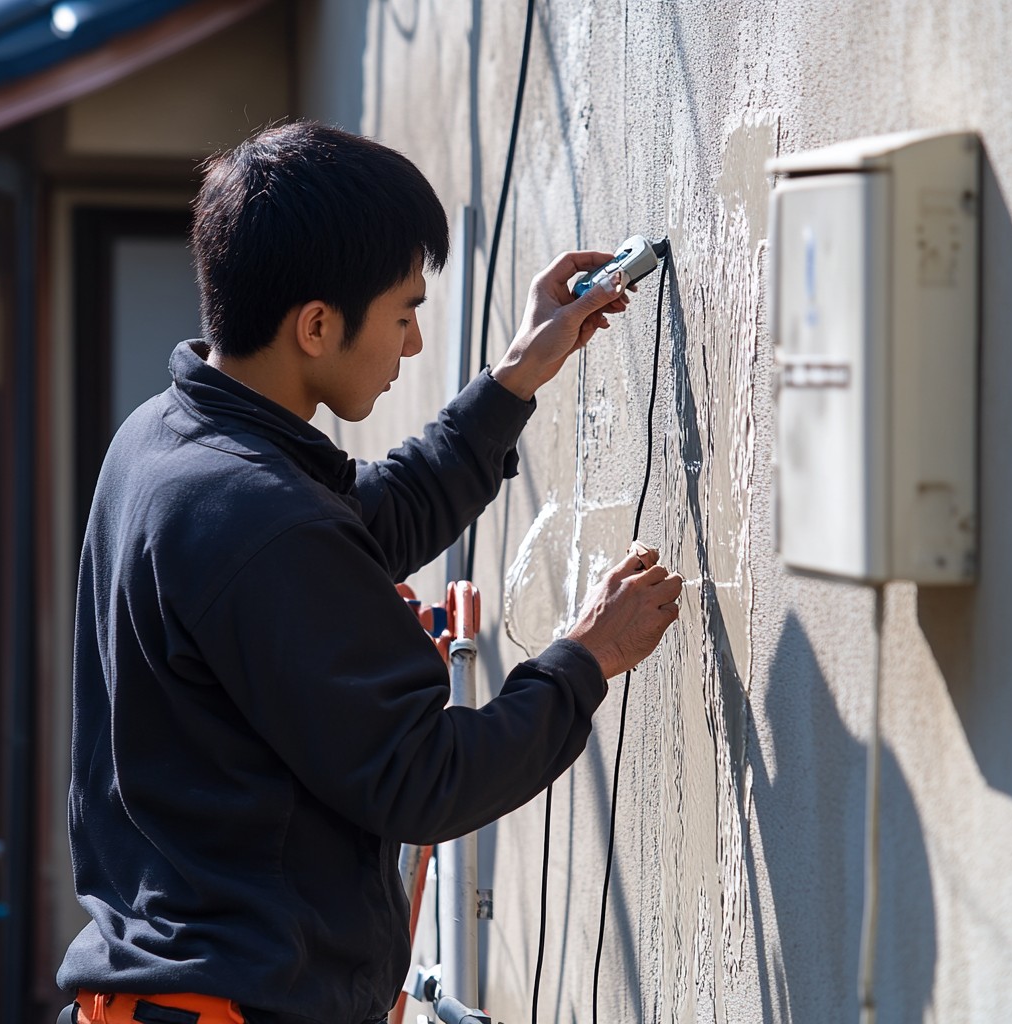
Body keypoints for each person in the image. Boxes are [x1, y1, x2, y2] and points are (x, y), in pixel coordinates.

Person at [56, 121, 683, 1024]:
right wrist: (584, 659)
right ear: (316, 326)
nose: (414, 346)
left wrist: (512, 379)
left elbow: (354, 532)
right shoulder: (260, 516)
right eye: (404, 313)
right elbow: (425, 776)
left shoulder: (167, 442)